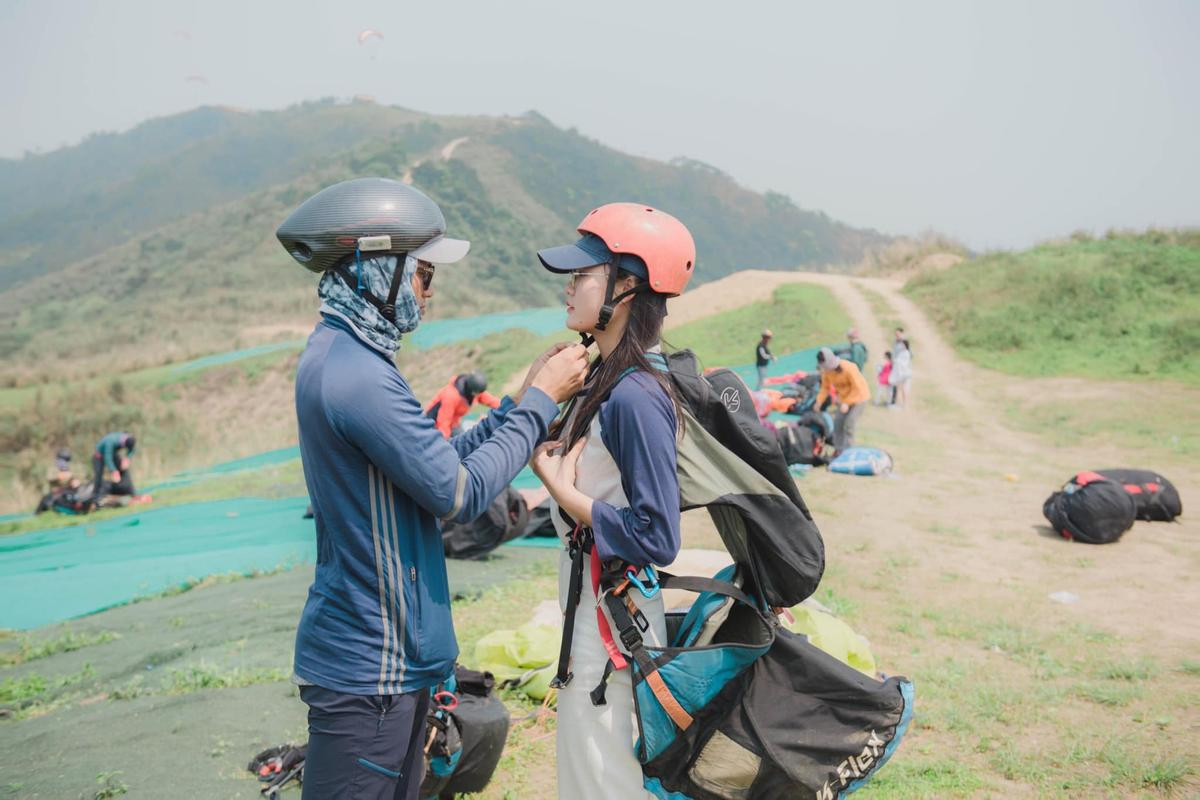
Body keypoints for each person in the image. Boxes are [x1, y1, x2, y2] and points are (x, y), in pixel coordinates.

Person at [276, 177, 589, 800]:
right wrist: (538, 403)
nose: (430, 290)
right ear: (376, 268)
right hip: (373, 667)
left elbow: (433, 462)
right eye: (422, 274)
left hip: (389, 663)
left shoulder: (350, 356)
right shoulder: (357, 376)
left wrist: (516, 412)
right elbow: (459, 492)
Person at [529, 202, 694, 800]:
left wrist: (563, 491)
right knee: (587, 776)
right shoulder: (602, 380)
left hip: (611, 630)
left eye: (583, 275)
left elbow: (658, 534)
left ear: (627, 287)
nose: (569, 287)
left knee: (601, 782)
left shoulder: (634, 397)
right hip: (591, 618)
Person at [815, 347, 870, 454]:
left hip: (860, 398)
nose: (825, 369)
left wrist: (847, 403)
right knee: (838, 422)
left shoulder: (849, 368)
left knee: (849, 423)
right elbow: (825, 388)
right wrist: (819, 401)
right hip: (844, 399)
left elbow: (857, 388)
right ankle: (838, 450)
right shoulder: (827, 372)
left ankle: (848, 452)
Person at [424, 372, 502, 438]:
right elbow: (443, 422)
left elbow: (491, 400)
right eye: (478, 393)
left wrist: (506, 406)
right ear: (472, 391)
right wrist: (444, 443)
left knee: (465, 442)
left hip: (453, 422)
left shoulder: (473, 389)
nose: (479, 394)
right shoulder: (451, 396)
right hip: (434, 425)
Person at [91, 432, 136, 502]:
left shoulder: (128, 439)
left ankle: (131, 492)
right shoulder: (111, 441)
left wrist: (127, 459)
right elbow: (107, 458)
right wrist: (114, 471)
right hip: (99, 457)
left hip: (113, 454)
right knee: (98, 476)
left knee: (123, 468)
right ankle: (95, 497)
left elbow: (132, 450)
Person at [889, 327, 913, 408]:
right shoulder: (895, 342)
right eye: (896, 334)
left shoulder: (905, 345)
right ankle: (895, 401)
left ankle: (902, 403)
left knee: (902, 387)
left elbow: (909, 356)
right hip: (896, 368)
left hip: (903, 370)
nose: (897, 336)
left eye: (898, 334)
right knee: (896, 386)